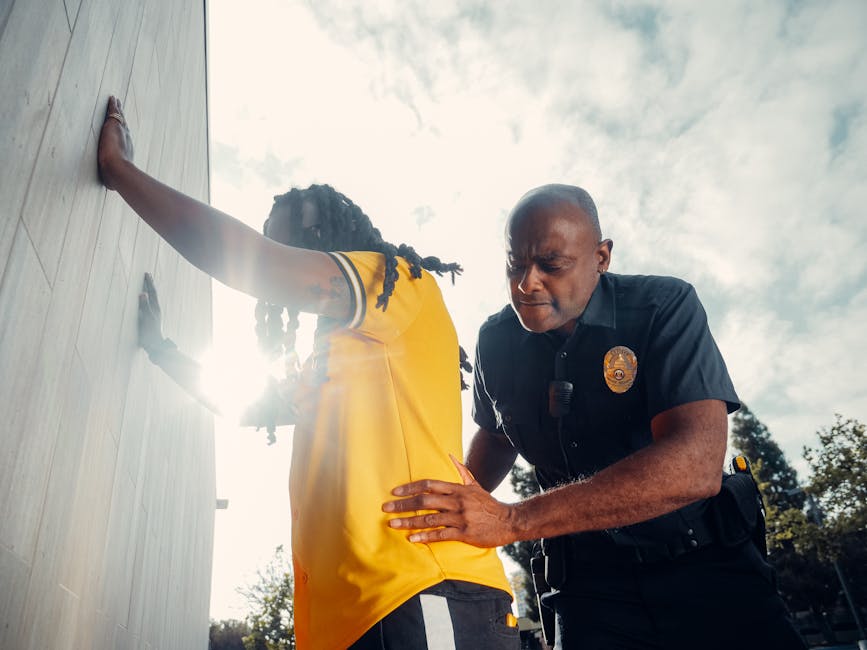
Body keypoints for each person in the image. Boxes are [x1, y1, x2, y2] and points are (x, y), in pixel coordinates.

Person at [97, 96, 517, 650]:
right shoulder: (337, 356)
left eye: (290, 239)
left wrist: (122, 173)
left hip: (425, 587)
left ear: (328, 232)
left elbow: (255, 263)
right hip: (353, 616)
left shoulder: (400, 287)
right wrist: (159, 348)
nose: (282, 252)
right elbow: (246, 406)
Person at [382, 184, 807, 649]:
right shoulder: (495, 343)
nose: (528, 282)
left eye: (551, 264)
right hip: (588, 592)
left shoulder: (663, 307)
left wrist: (511, 522)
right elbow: (490, 450)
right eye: (515, 264)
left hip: (706, 568)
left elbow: (696, 462)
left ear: (601, 257)